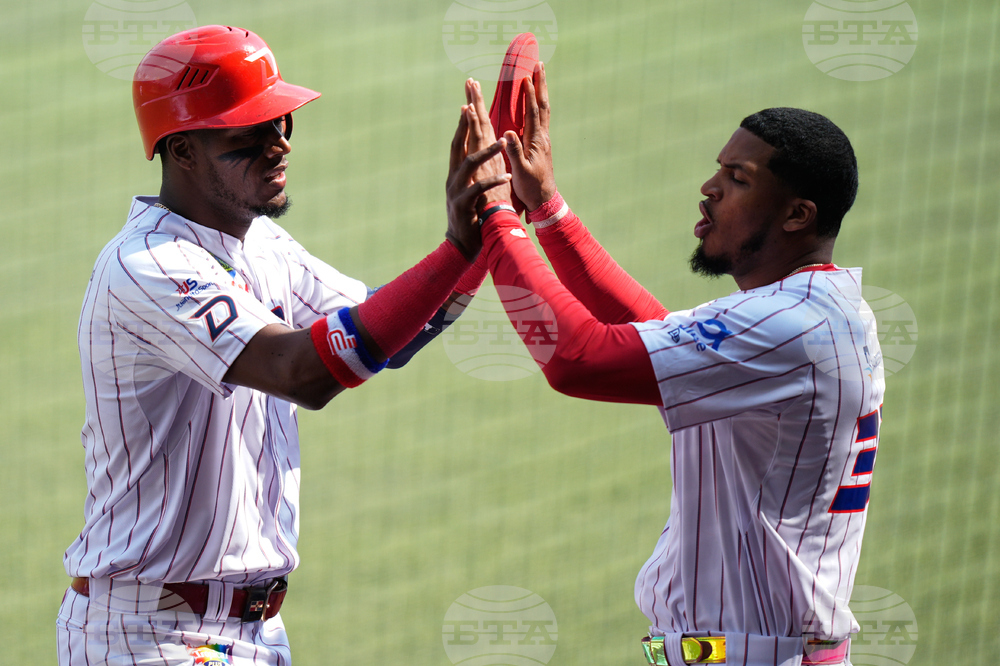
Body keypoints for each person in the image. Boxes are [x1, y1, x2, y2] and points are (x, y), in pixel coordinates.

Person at [56, 25, 510, 665]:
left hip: (255, 632)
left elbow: (389, 337)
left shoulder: (261, 243)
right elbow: (303, 372)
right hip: (148, 634)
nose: (278, 144)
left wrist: (489, 227)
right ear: (181, 150)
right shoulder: (147, 264)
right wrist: (456, 249)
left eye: (283, 122)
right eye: (251, 130)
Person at [465, 65, 884, 666]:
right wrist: (548, 209)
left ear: (797, 215)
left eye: (737, 179)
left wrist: (499, 219)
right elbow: (653, 333)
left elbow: (580, 360)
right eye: (719, 169)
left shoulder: (792, 327)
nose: (709, 187)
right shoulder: (810, 312)